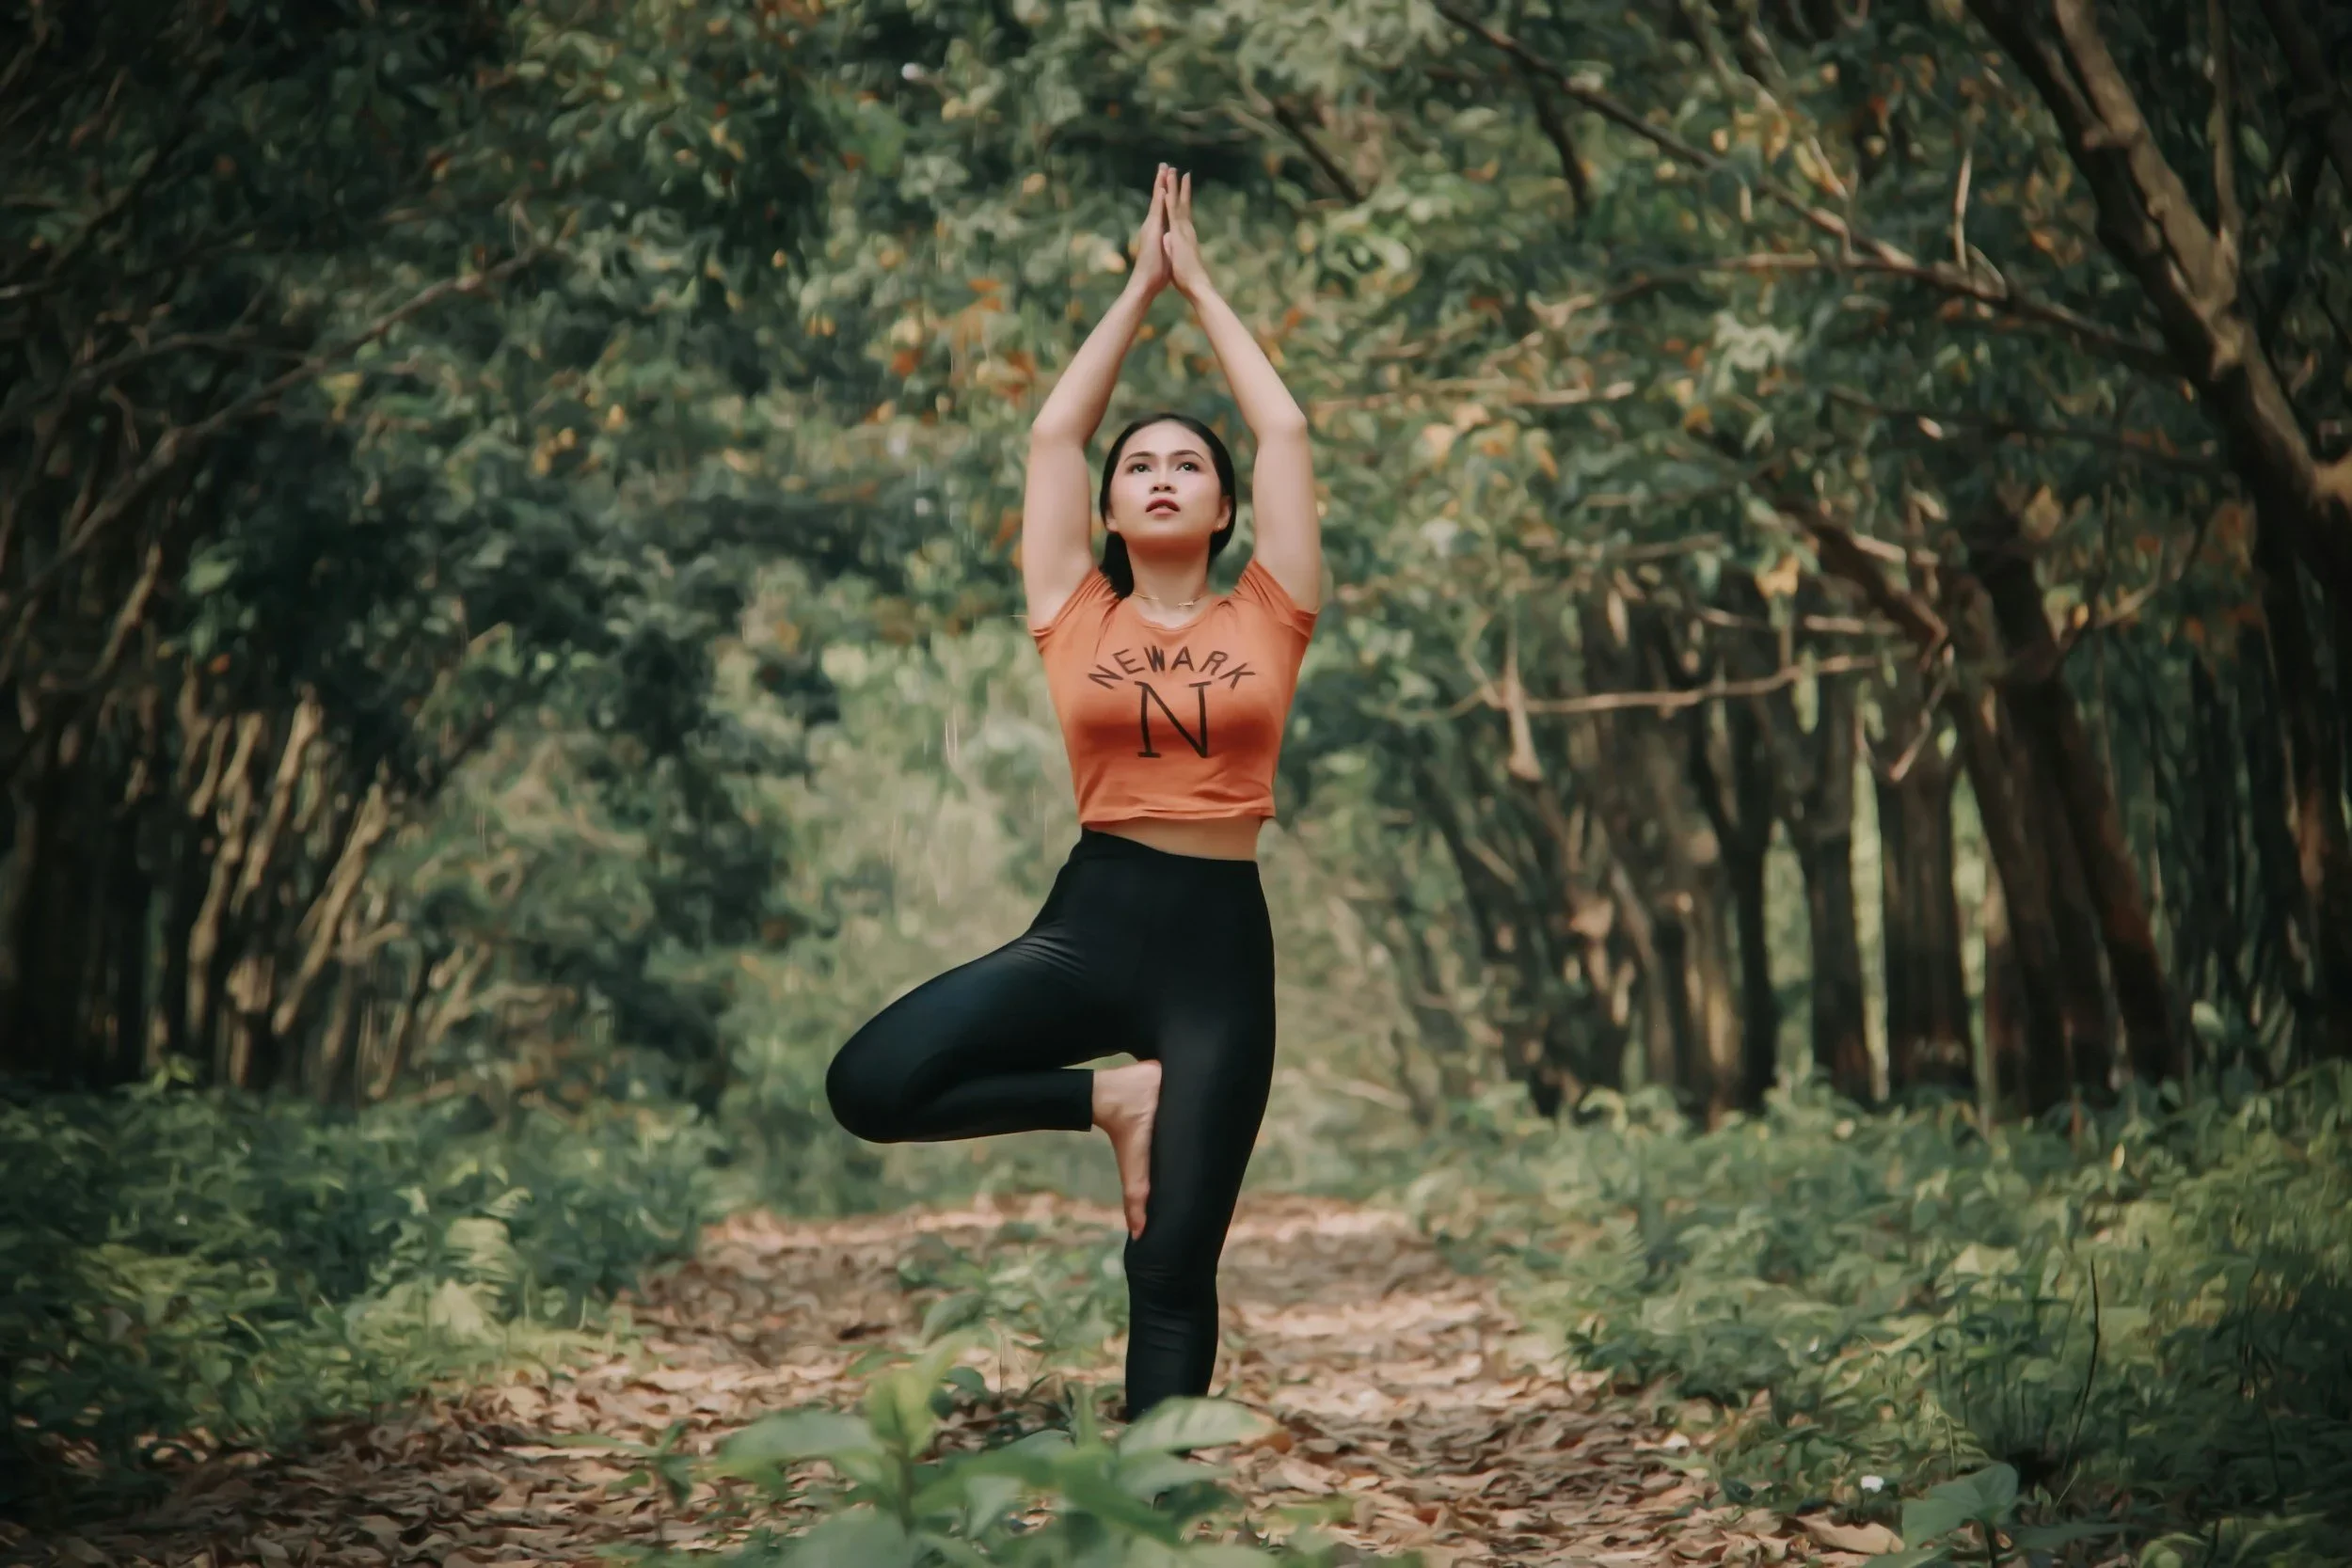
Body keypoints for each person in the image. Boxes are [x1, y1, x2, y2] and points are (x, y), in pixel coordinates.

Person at [824, 164, 1323, 1418]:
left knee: (1170, 1260)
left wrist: (1201, 289)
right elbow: (1050, 433)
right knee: (872, 1084)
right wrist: (1136, 287)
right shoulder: (1072, 612)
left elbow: (1289, 434)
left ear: (1221, 512)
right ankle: (1112, 1098)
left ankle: (1147, 1518)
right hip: (1094, 919)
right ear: (1107, 507)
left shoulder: (1272, 612)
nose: (1161, 473)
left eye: (1187, 466)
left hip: (1219, 945)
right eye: (1138, 463)